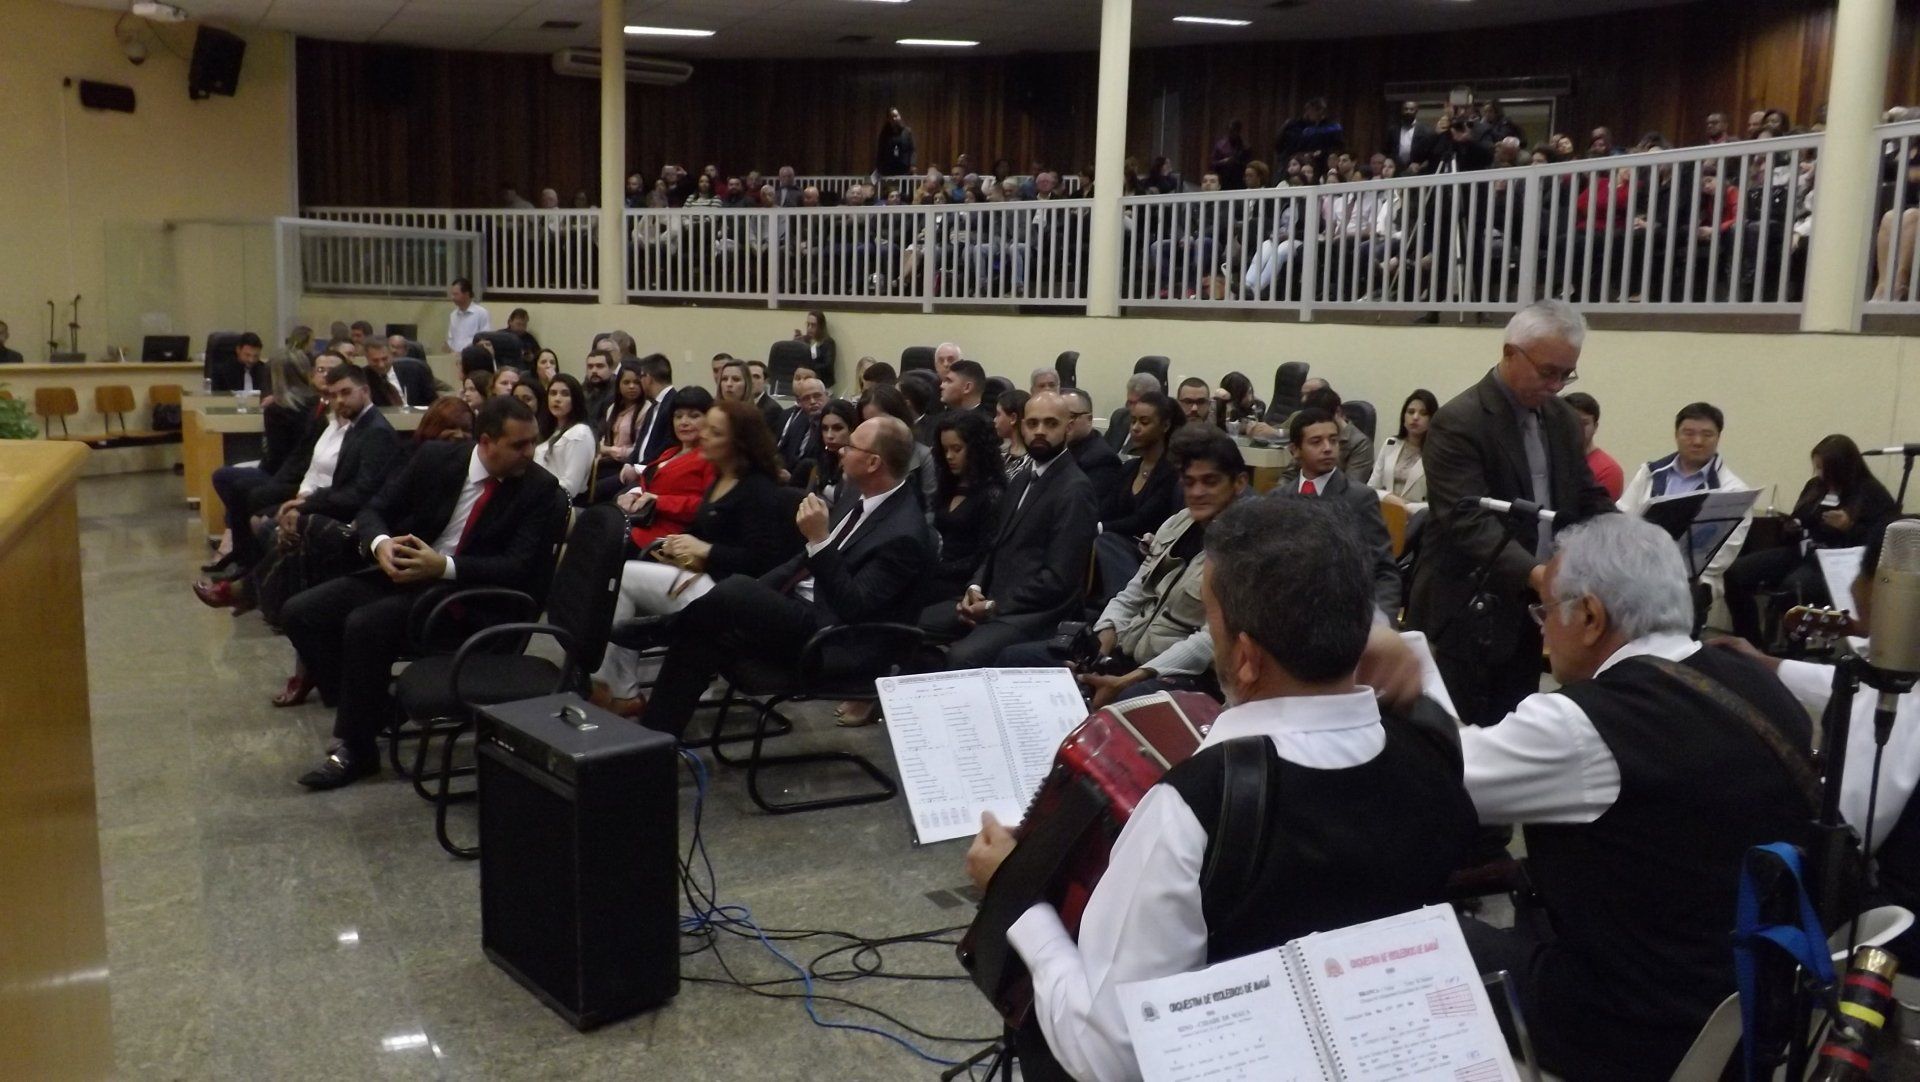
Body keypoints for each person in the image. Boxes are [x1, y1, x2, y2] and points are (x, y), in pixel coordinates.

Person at [966, 496, 1479, 1082]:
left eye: (1210, 622)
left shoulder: (1194, 807)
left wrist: (1017, 896)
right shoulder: (1435, 743)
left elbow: (1111, 1055)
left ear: (1247, 658)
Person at [1427, 515, 1816, 1080]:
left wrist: (1405, 690)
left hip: (1630, 1027)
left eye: (1544, 611)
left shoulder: (1586, 723)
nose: (1542, 632)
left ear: (1589, 616)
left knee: (1416, 943)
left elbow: (1435, 778)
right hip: (1749, 1007)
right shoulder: (1756, 681)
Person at [284, 396, 566, 789]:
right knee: (300, 612)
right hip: (404, 574)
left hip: (465, 597)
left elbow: (518, 567)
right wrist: (381, 544)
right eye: (519, 444)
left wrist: (443, 567)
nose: (530, 453)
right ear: (486, 442)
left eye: (533, 441)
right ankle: (377, 709)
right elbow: (373, 509)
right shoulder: (435, 459)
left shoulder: (539, 489)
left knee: (365, 626)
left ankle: (356, 748)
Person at [633, 417, 932, 737]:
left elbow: (853, 606)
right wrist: (758, 595)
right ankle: (655, 741)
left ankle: (661, 630)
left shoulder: (904, 534)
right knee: (704, 632)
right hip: (802, 611)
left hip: (834, 639)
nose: (840, 451)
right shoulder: (856, 494)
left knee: (734, 590)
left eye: (850, 446)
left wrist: (820, 541)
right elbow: (799, 563)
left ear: (873, 463)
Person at [1409, 301, 1616, 726]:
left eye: (1567, 374)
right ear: (1510, 353)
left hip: (1534, 608)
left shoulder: (1560, 418)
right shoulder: (1459, 421)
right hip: (1468, 607)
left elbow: (1585, 495)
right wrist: (1537, 575)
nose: (1556, 385)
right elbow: (1468, 520)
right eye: (1548, 372)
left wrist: (1633, 537)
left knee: (1515, 720)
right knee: (1459, 735)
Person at [1721, 524, 1920, 964]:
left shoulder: (1905, 701)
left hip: (1894, 921)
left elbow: (1846, 825)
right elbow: (1852, 688)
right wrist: (1767, 664)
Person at [1000, 426, 1254, 706]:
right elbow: (1133, 593)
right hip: (1128, 650)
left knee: (1126, 698)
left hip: (1180, 673)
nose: (1197, 492)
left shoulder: (1246, 549)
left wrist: (1131, 679)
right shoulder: (1177, 524)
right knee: (1016, 659)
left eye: (1210, 482)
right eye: (1189, 482)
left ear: (1239, 483)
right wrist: (1101, 645)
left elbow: (1209, 641)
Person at [592, 400, 801, 715]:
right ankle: (613, 683)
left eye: (714, 432)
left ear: (738, 443)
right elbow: (708, 531)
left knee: (624, 578)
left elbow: (762, 562)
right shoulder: (721, 477)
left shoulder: (758, 490)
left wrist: (705, 551)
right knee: (619, 575)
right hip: (705, 576)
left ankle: (618, 686)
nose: (703, 435)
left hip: (731, 595)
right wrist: (679, 547)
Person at [919, 392, 1099, 670]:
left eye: (1051, 423)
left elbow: (1058, 581)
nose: (1040, 431)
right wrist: (975, 588)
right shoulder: (1022, 478)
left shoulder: (1075, 489)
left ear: (1069, 427)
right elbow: (995, 547)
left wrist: (993, 606)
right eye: (1033, 423)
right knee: (914, 624)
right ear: (1022, 426)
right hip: (997, 598)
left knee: (962, 656)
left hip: (1038, 613)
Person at [1725, 434, 1899, 647]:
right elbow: (1801, 517)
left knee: (1793, 587)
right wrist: (1792, 526)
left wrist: (1849, 527)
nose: (1820, 474)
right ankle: (1750, 641)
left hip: (1835, 561)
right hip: (1800, 551)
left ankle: (1793, 650)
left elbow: (1880, 541)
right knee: (1735, 573)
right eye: (1817, 468)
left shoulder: (1871, 493)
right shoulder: (1815, 487)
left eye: (1825, 469)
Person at [1619, 402, 1751, 612]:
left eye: (1707, 435)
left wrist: (1667, 572)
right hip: (1639, 569)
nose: (1697, 441)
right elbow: (1622, 519)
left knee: (1670, 596)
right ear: (1676, 435)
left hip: (1695, 580)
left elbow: (1721, 558)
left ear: (1718, 437)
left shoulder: (1734, 491)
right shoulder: (1650, 473)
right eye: (1689, 433)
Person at [1282, 407, 1403, 617]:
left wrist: (1381, 620)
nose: (1328, 448)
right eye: (1316, 442)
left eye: (1333, 440)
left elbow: (1383, 570)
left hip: (1341, 613)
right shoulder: (1279, 499)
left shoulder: (1359, 498)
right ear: (1295, 450)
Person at [1095, 391, 1184, 596]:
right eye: (1133, 421)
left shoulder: (1172, 472)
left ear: (1165, 426)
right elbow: (1106, 508)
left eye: (1144, 422)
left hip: (1152, 554)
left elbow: (1143, 519)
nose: (1135, 428)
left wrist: (1100, 528)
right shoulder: (1129, 468)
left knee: (1104, 541)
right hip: (1119, 548)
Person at [616, 386, 718, 550]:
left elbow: (708, 507)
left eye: (694, 416)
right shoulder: (670, 452)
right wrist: (634, 495)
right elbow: (651, 487)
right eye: (678, 416)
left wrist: (659, 501)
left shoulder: (710, 458)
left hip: (671, 536)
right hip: (641, 522)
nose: (684, 422)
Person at [923, 410, 1006, 606]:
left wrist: (936, 569)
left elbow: (983, 556)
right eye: (945, 450)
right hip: (937, 573)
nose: (949, 456)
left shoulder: (992, 494)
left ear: (976, 449)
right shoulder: (948, 486)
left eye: (956, 449)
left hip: (964, 585)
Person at [1367, 389, 1436, 512]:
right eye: (1411, 412)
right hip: (1384, 512)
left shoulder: (1437, 452)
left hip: (1418, 517)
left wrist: (1407, 507)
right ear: (1403, 417)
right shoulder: (1390, 444)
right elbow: (1371, 488)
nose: (1415, 417)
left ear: (1432, 419)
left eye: (1423, 413)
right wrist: (1388, 497)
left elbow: (1439, 503)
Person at [532, 374, 595, 499]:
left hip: (561, 501)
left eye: (565, 394)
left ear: (575, 399)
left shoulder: (579, 433)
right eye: (553, 393)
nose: (557, 399)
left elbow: (571, 486)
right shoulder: (549, 430)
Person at [617, 353, 680, 475]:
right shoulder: (654, 405)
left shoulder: (673, 403)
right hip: (639, 469)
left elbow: (667, 446)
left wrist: (638, 468)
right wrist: (628, 464)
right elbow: (640, 443)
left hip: (652, 472)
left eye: (640, 377)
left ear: (648, 378)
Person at [1063, 387, 1122, 504]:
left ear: (1089, 419)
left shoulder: (1102, 460)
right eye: (1058, 417)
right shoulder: (1057, 448)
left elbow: (1084, 506)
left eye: (1070, 416)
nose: (1063, 422)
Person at [1562, 392, 1625, 500]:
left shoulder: (1608, 470)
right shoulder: (1552, 460)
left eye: (1584, 423)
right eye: (1571, 422)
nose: (1576, 428)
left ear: (1595, 427)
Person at [805, 399, 861, 505]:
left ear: (852, 429)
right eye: (825, 428)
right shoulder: (822, 460)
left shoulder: (859, 466)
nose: (829, 435)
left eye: (837, 428)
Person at [775, 376, 830, 482]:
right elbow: (783, 452)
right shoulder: (798, 421)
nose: (812, 401)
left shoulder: (831, 427)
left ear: (827, 396)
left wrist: (792, 479)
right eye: (806, 398)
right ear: (799, 402)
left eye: (817, 396)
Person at [1104, 373, 1160, 452]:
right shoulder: (1119, 417)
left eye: (1136, 403)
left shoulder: (1156, 428)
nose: (1131, 408)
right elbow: (1103, 449)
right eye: (1129, 402)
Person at [443, 277, 490, 353]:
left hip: (473, 356)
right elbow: (451, 338)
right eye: (452, 294)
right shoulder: (453, 315)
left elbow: (485, 339)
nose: (452, 298)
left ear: (466, 294)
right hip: (454, 356)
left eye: (456, 294)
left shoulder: (481, 313)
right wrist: (449, 349)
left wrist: (466, 352)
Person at [791, 310, 837, 387]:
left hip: (822, 383)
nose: (809, 328)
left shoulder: (828, 343)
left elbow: (827, 365)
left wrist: (809, 368)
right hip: (804, 382)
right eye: (808, 324)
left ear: (820, 326)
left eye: (813, 325)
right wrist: (796, 344)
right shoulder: (805, 341)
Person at [994, 389, 1030, 477]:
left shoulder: (1033, 461)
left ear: (1013, 418)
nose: (994, 420)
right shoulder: (999, 454)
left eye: (998, 414)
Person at [877, 108, 915, 177]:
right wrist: (879, 167)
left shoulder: (907, 132)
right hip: (888, 169)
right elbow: (880, 151)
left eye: (896, 116)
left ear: (900, 116)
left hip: (905, 169)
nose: (894, 119)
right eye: (892, 117)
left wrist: (913, 164)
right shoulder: (884, 134)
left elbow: (912, 150)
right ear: (888, 119)